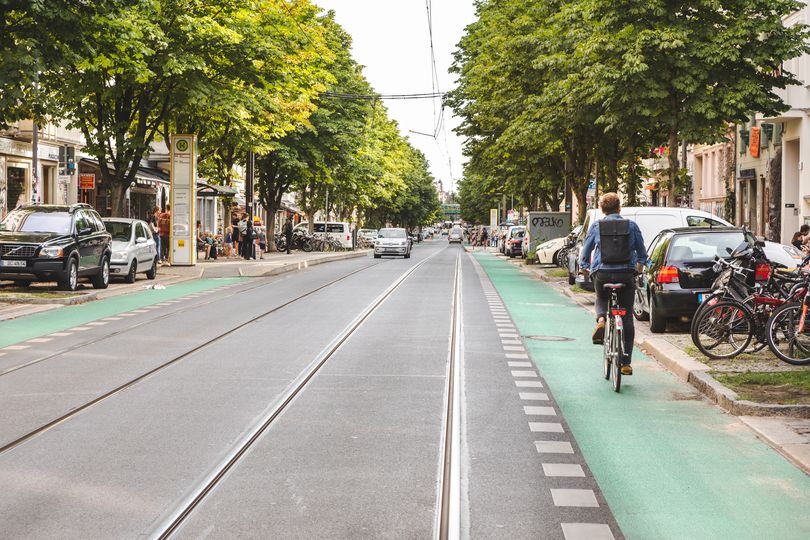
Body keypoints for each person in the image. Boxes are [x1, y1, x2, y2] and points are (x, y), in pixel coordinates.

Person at [579, 192, 647, 376]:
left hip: (602, 272)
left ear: (602, 209)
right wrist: (638, 269)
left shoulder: (596, 226)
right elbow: (642, 252)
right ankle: (625, 363)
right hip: (626, 274)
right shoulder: (631, 226)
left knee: (601, 296)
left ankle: (601, 320)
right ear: (619, 208)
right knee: (626, 317)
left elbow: (585, 252)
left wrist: (584, 268)